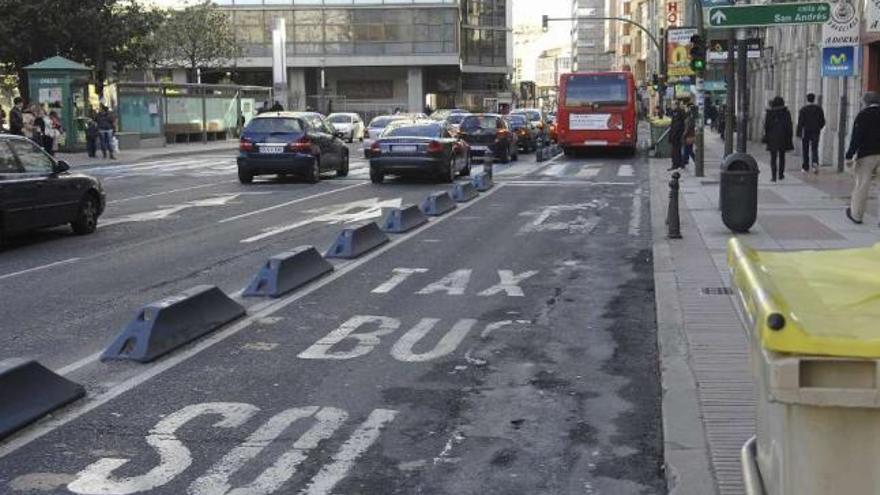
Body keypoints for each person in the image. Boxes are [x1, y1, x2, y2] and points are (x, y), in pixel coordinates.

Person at [844, 91, 880, 225]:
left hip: (866, 155)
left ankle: (856, 215)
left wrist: (849, 155)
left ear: (866, 102)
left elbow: (857, 136)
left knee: (862, 185)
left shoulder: (863, 115)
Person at [763, 96, 794, 182]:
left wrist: (767, 136)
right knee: (782, 156)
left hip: (772, 138)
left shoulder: (769, 113)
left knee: (773, 157)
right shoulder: (786, 113)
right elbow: (789, 126)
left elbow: (766, 126)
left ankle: (773, 176)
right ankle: (781, 174)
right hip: (783, 137)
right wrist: (789, 136)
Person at [796, 93, 825, 175]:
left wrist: (798, 133)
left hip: (806, 131)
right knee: (814, 148)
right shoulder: (819, 109)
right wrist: (819, 127)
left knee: (805, 149)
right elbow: (822, 121)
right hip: (815, 131)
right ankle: (815, 164)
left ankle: (805, 167)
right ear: (814, 99)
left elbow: (800, 123)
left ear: (807, 99)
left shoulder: (803, 110)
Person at [668, 102, 686, 171]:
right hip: (677, 135)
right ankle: (680, 164)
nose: (671, 106)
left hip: (676, 136)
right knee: (677, 151)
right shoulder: (675, 113)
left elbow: (676, 126)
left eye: (672, 105)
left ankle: (676, 164)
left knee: (675, 151)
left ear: (676, 105)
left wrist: (672, 135)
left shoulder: (677, 113)